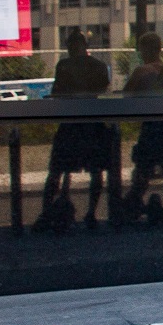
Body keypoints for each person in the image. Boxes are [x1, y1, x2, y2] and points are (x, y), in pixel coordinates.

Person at [39, 30, 117, 230]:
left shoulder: (64, 66)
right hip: (93, 125)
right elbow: (104, 93)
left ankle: (47, 212)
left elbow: (57, 93)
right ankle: (91, 213)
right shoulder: (99, 66)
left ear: (70, 47)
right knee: (96, 171)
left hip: (70, 125)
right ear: (85, 46)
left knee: (57, 170)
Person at [125, 32, 163, 225]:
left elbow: (128, 96)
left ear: (145, 49)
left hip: (152, 126)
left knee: (144, 168)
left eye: (141, 49)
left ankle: (134, 205)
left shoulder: (141, 72)